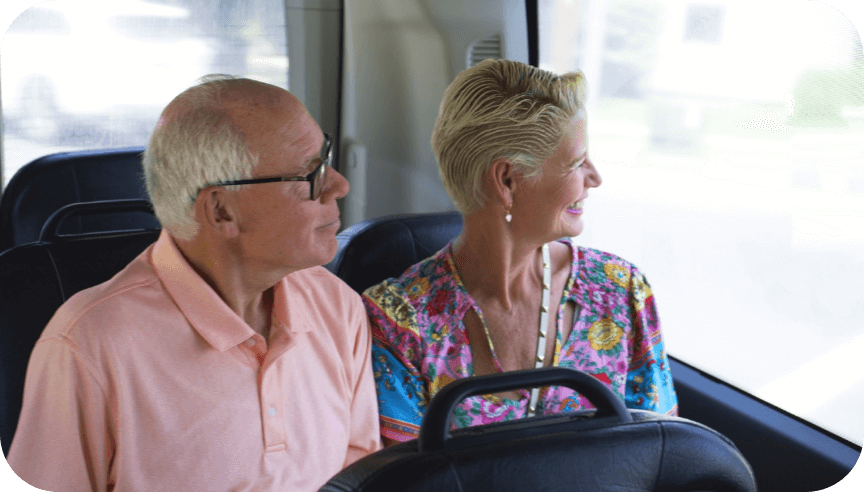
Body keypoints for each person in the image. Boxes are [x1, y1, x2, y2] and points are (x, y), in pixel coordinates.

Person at [7, 75, 381, 491]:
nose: (340, 185)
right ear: (221, 211)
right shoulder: (88, 343)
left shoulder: (337, 306)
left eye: (325, 159)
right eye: (308, 175)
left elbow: (358, 474)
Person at [364, 60, 678, 445]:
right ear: (507, 180)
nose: (595, 177)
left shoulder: (620, 290)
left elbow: (661, 452)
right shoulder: (399, 322)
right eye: (578, 162)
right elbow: (403, 482)